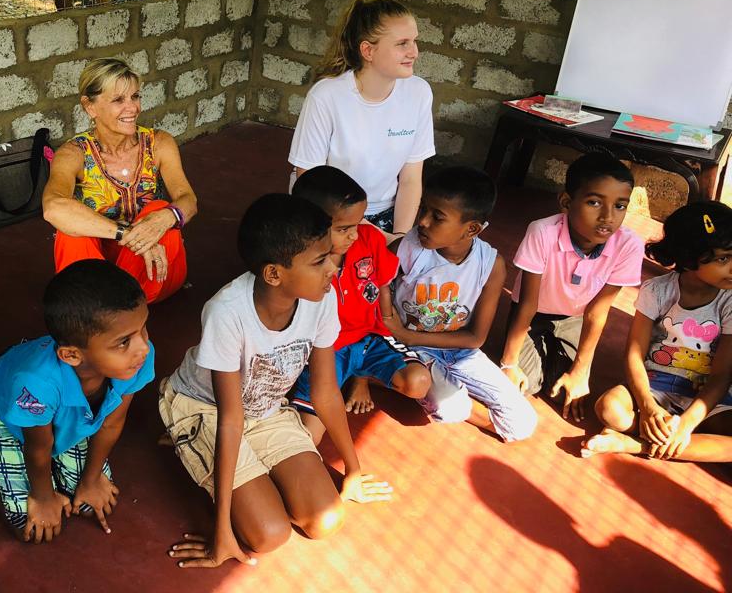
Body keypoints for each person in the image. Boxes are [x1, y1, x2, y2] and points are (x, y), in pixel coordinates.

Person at [160, 194, 391, 570]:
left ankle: (251, 471)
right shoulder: (226, 312)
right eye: (319, 261)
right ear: (273, 274)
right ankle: (183, 432)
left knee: (326, 520)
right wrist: (222, 531)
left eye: (329, 256)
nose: (333, 269)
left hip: (265, 406)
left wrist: (353, 470)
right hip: (207, 407)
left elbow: (325, 392)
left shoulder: (320, 297)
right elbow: (230, 418)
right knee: (269, 535)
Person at [0, 260, 154, 542]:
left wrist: (91, 481)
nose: (143, 347)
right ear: (71, 355)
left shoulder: (134, 360)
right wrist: (43, 498)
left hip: (56, 411)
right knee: (29, 528)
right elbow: (38, 447)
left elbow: (111, 423)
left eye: (143, 328)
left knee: (88, 503)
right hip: (4, 408)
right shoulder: (36, 385)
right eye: (123, 342)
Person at [387, 167, 537, 442]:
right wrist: (399, 334)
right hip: (410, 349)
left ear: (472, 229)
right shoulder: (407, 249)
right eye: (423, 209)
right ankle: (404, 382)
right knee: (450, 406)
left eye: (437, 217)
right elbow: (376, 289)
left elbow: (475, 338)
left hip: (458, 352)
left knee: (523, 424)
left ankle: (443, 395)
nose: (423, 221)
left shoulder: (490, 265)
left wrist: (407, 334)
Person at [287, 166, 431, 438]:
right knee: (310, 435)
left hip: (369, 340)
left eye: (357, 223)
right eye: (343, 228)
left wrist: (390, 326)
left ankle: (360, 376)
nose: (354, 235)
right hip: (326, 350)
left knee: (418, 382)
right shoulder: (300, 262)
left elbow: (382, 287)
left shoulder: (369, 239)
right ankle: (348, 376)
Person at [500, 154, 645, 421]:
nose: (608, 217)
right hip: (533, 313)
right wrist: (508, 363)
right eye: (594, 203)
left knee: (563, 390)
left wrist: (581, 371)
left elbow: (597, 312)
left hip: (576, 317)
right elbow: (528, 303)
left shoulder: (629, 245)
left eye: (620, 206)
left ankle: (552, 358)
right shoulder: (542, 232)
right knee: (522, 384)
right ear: (566, 202)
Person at [583, 201, 732, 461]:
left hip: (706, 396)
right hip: (656, 384)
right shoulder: (657, 290)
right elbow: (634, 354)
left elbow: (721, 375)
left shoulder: (729, 301)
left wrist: (686, 424)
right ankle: (669, 436)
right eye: (723, 259)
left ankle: (635, 445)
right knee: (609, 410)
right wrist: (647, 406)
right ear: (690, 257)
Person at [43, 58, 197, 303]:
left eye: (135, 96)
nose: (133, 108)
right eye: (118, 100)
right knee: (71, 229)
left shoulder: (159, 143)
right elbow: (53, 207)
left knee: (160, 210)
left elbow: (188, 200)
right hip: (98, 266)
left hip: (154, 272)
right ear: (90, 106)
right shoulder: (74, 154)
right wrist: (128, 235)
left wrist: (165, 218)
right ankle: (106, 303)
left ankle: (108, 305)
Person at [288, 0, 435, 241]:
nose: (414, 52)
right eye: (402, 44)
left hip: (384, 214)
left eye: (414, 41)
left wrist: (398, 238)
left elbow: (410, 179)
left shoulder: (418, 93)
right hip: (328, 212)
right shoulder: (326, 96)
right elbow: (310, 182)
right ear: (368, 50)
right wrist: (376, 238)